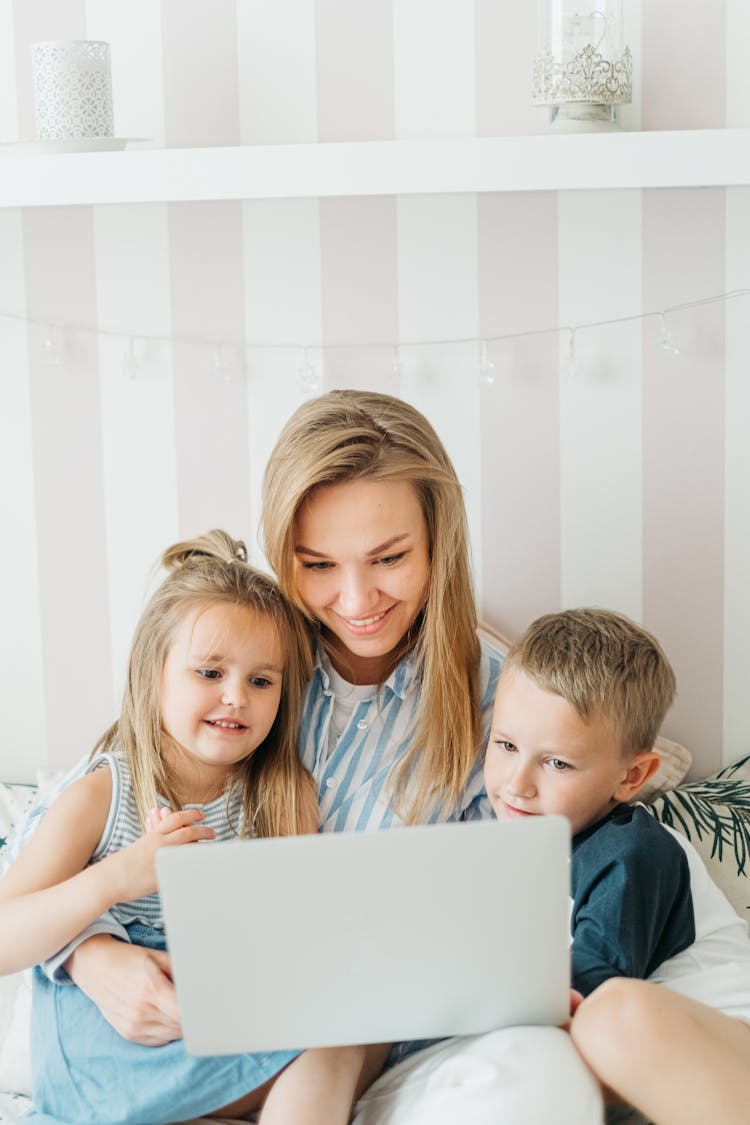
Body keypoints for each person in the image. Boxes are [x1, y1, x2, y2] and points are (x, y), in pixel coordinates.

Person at [9, 391, 600, 1123]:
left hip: (344, 1016)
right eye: (318, 563)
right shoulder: (248, 654)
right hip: (159, 1005)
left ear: (438, 541)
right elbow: (53, 840)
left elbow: (522, 880)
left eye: (389, 557)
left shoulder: (497, 703)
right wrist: (91, 953)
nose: (355, 599)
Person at [0, 529, 388, 1124]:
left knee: (356, 1028)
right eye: (209, 673)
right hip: (102, 1047)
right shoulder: (103, 793)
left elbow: (292, 941)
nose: (236, 697)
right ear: (151, 674)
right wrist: (113, 880)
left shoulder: (283, 797)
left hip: (211, 1015)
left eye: (261, 681)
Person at [383, 607, 750, 1125]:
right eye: (506, 746)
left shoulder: (634, 848)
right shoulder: (507, 861)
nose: (517, 784)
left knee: (611, 1018)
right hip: (620, 1063)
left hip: (718, 1042)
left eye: (557, 763)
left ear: (631, 777)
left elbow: (591, 981)